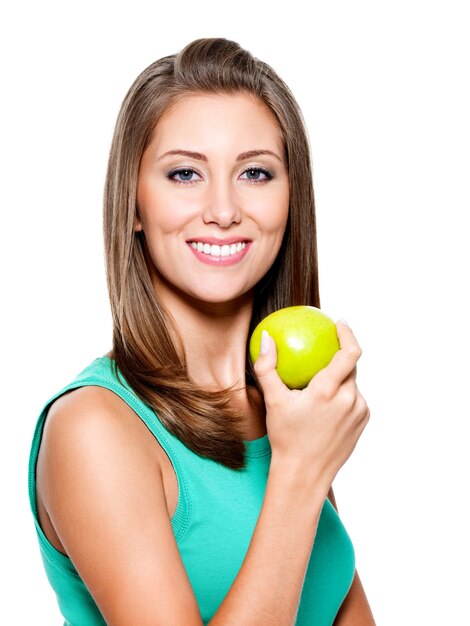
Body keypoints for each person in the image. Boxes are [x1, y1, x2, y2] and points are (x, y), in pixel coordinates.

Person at [28, 37, 374, 625]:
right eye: (185, 173)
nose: (222, 208)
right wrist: (298, 475)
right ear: (134, 205)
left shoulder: (287, 413)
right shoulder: (95, 428)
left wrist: (301, 459)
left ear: (291, 201)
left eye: (256, 173)